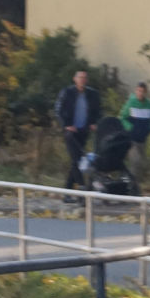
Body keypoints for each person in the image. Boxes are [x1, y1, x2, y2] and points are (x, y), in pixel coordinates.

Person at [54, 70, 101, 201]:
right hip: (70, 132)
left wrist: (94, 123)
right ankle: (82, 189)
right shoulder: (67, 92)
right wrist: (65, 124)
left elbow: (98, 111)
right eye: (80, 77)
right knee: (77, 160)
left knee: (77, 162)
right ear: (75, 79)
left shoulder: (92, 94)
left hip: (83, 131)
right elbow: (58, 110)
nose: (82, 80)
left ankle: (67, 194)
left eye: (85, 78)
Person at [118, 82, 150, 174]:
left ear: (146, 92)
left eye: (142, 91)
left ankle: (132, 180)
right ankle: (132, 183)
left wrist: (149, 129)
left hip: (143, 139)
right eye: (139, 91)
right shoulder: (130, 103)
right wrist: (130, 127)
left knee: (142, 162)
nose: (140, 93)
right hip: (131, 138)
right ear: (136, 91)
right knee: (135, 161)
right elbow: (122, 118)